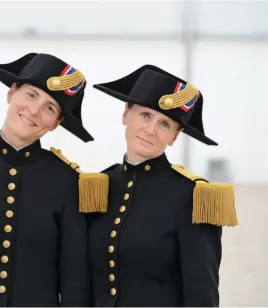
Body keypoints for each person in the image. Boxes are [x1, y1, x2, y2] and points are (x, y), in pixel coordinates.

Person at [0, 53, 103, 306]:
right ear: (11, 93)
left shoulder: (69, 181)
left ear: (56, 123)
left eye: (50, 108)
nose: (34, 111)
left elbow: (75, 277)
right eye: (31, 95)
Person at [85, 64, 238, 307]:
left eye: (165, 124)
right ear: (126, 114)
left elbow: (201, 296)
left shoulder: (193, 197)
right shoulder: (99, 186)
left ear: (175, 137)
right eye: (145, 116)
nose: (151, 130)